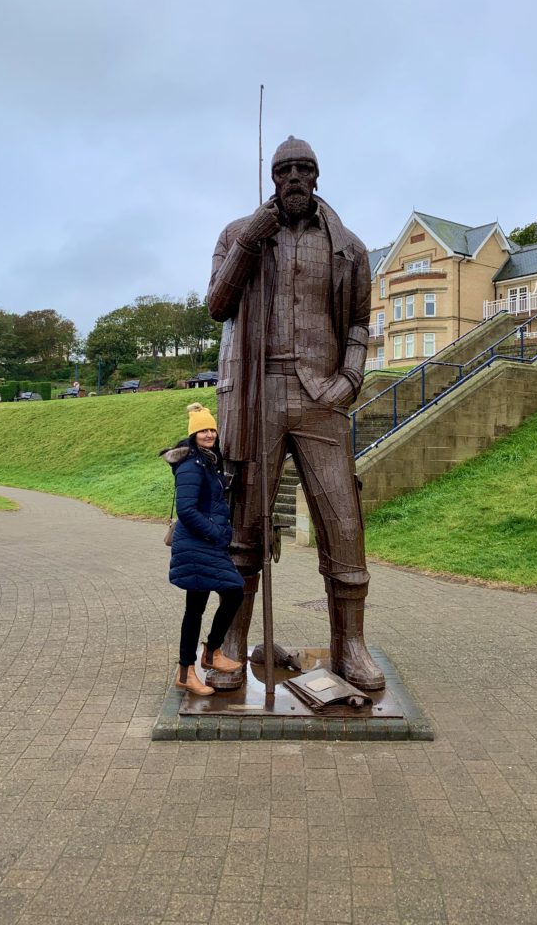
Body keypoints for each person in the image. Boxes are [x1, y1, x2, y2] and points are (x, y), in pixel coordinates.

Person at [207, 135, 385, 691]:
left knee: (343, 520)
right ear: (272, 178)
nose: (294, 178)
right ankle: (233, 640)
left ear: (317, 176)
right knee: (245, 524)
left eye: (304, 169)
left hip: (321, 396)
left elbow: (359, 322)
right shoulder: (238, 235)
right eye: (284, 170)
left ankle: (348, 645)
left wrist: (350, 379)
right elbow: (217, 304)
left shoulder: (348, 247)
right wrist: (251, 243)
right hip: (257, 394)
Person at [161, 402, 245, 696]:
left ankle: (192, 668)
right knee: (234, 590)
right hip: (199, 544)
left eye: (212, 429)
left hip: (203, 544)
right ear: (193, 434)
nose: (209, 434)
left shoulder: (206, 461)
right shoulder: (191, 465)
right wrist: (217, 536)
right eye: (203, 430)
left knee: (195, 608)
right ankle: (209, 654)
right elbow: (186, 509)